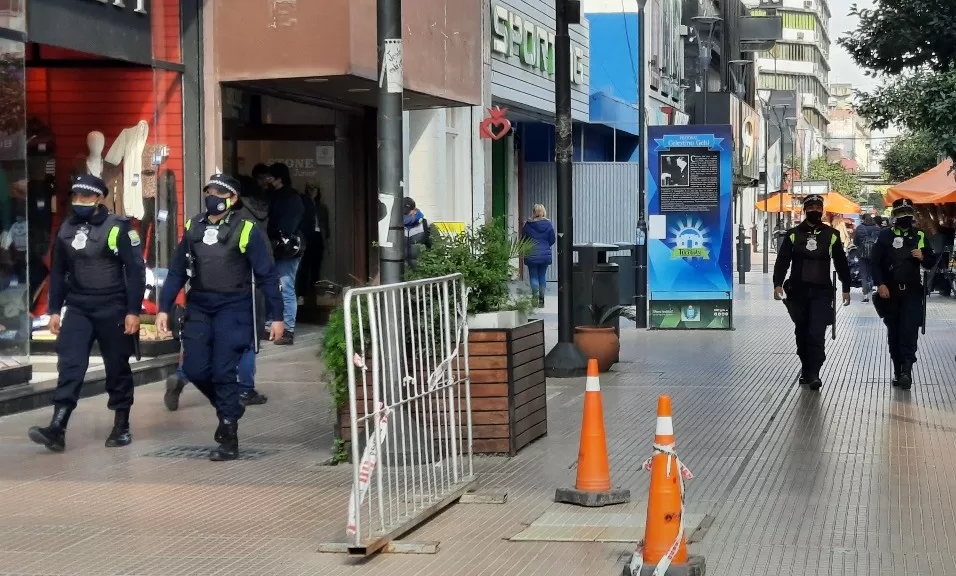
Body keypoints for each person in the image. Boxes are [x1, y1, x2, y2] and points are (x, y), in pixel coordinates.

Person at [157, 174, 283, 461]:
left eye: (219, 192)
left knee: (223, 370)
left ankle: (229, 435)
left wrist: (277, 317)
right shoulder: (193, 226)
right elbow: (177, 270)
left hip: (234, 306)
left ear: (233, 198)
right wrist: (164, 307)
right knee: (195, 368)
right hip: (200, 305)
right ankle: (230, 408)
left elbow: (266, 274)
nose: (212, 196)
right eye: (209, 191)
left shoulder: (246, 229)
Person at [28, 174, 146, 452]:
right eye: (76, 196)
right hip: (79, 307)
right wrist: (54, 309)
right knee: (70, 365)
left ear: (100, 198)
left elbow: (136, 271)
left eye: (87, 197)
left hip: (113, 306)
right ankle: (57, 426)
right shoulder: (67, 228)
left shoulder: (118, 228)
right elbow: (58, 271)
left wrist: (133, 311)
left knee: (116, 367)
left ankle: (121, 424)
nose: (80, 201)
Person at [773, 194, 851, 391]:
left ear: (822, 210)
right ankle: (806, 368)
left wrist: (846, 287)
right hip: (798, 292)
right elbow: (782, 261)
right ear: (805, 210)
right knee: (802, 333)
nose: (815, 210)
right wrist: (777, 284)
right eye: (811, 207)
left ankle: (814, 372)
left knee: (816, 333)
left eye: (818, 207)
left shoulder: (831, 234)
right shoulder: (793, 234)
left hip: (821, 292)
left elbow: (841, 262)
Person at [871, 199, 936, 390]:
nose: (905, 217)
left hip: (912, 292)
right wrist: (880, 284)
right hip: (890, 292)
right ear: (894, 216)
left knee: (909, 331)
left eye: (908, 213)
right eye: (900, 213)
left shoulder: (920, 235)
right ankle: (898, 370)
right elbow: (875, 263)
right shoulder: (884, 236)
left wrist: (923, 256)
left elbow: (931, 261)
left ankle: (907, 371)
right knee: (894, 332)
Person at [267, 163, 303, 345]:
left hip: (287, 251)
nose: (267, 180)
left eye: (270, 177)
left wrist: (279, 235)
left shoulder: (291, 197)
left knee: (286, 287)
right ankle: (275, 326)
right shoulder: (277, 196)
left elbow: (288, 225)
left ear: (279, 177)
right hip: (278, 249)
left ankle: (288, 329)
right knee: (278, 286)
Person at [522, 204, 556, 307]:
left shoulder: (528, 225)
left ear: (533, 212)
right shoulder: (549, 224)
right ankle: (541, 300)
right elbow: (552, 239)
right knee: (542, 276)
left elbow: (523, 240)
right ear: (543, 212)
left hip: (531, 254)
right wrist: (545, 246)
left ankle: (534, 298)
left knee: (533, 276)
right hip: (544, 255)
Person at [853, 214, 881, 302]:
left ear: (863, 219)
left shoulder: (859, 228)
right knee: (873, 272)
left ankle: (865, 296)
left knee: (864, 274)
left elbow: (855, 242)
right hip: (874, 254)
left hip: (862, 254)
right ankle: (872, 287)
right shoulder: (877, 229)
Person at [403, 197, 431, 268]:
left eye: (407, 212)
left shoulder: (426, 225)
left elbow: (438, 248)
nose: (405, 215)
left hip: (422, 271)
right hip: (403, 273)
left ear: (414, 210)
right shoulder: (396, 227)